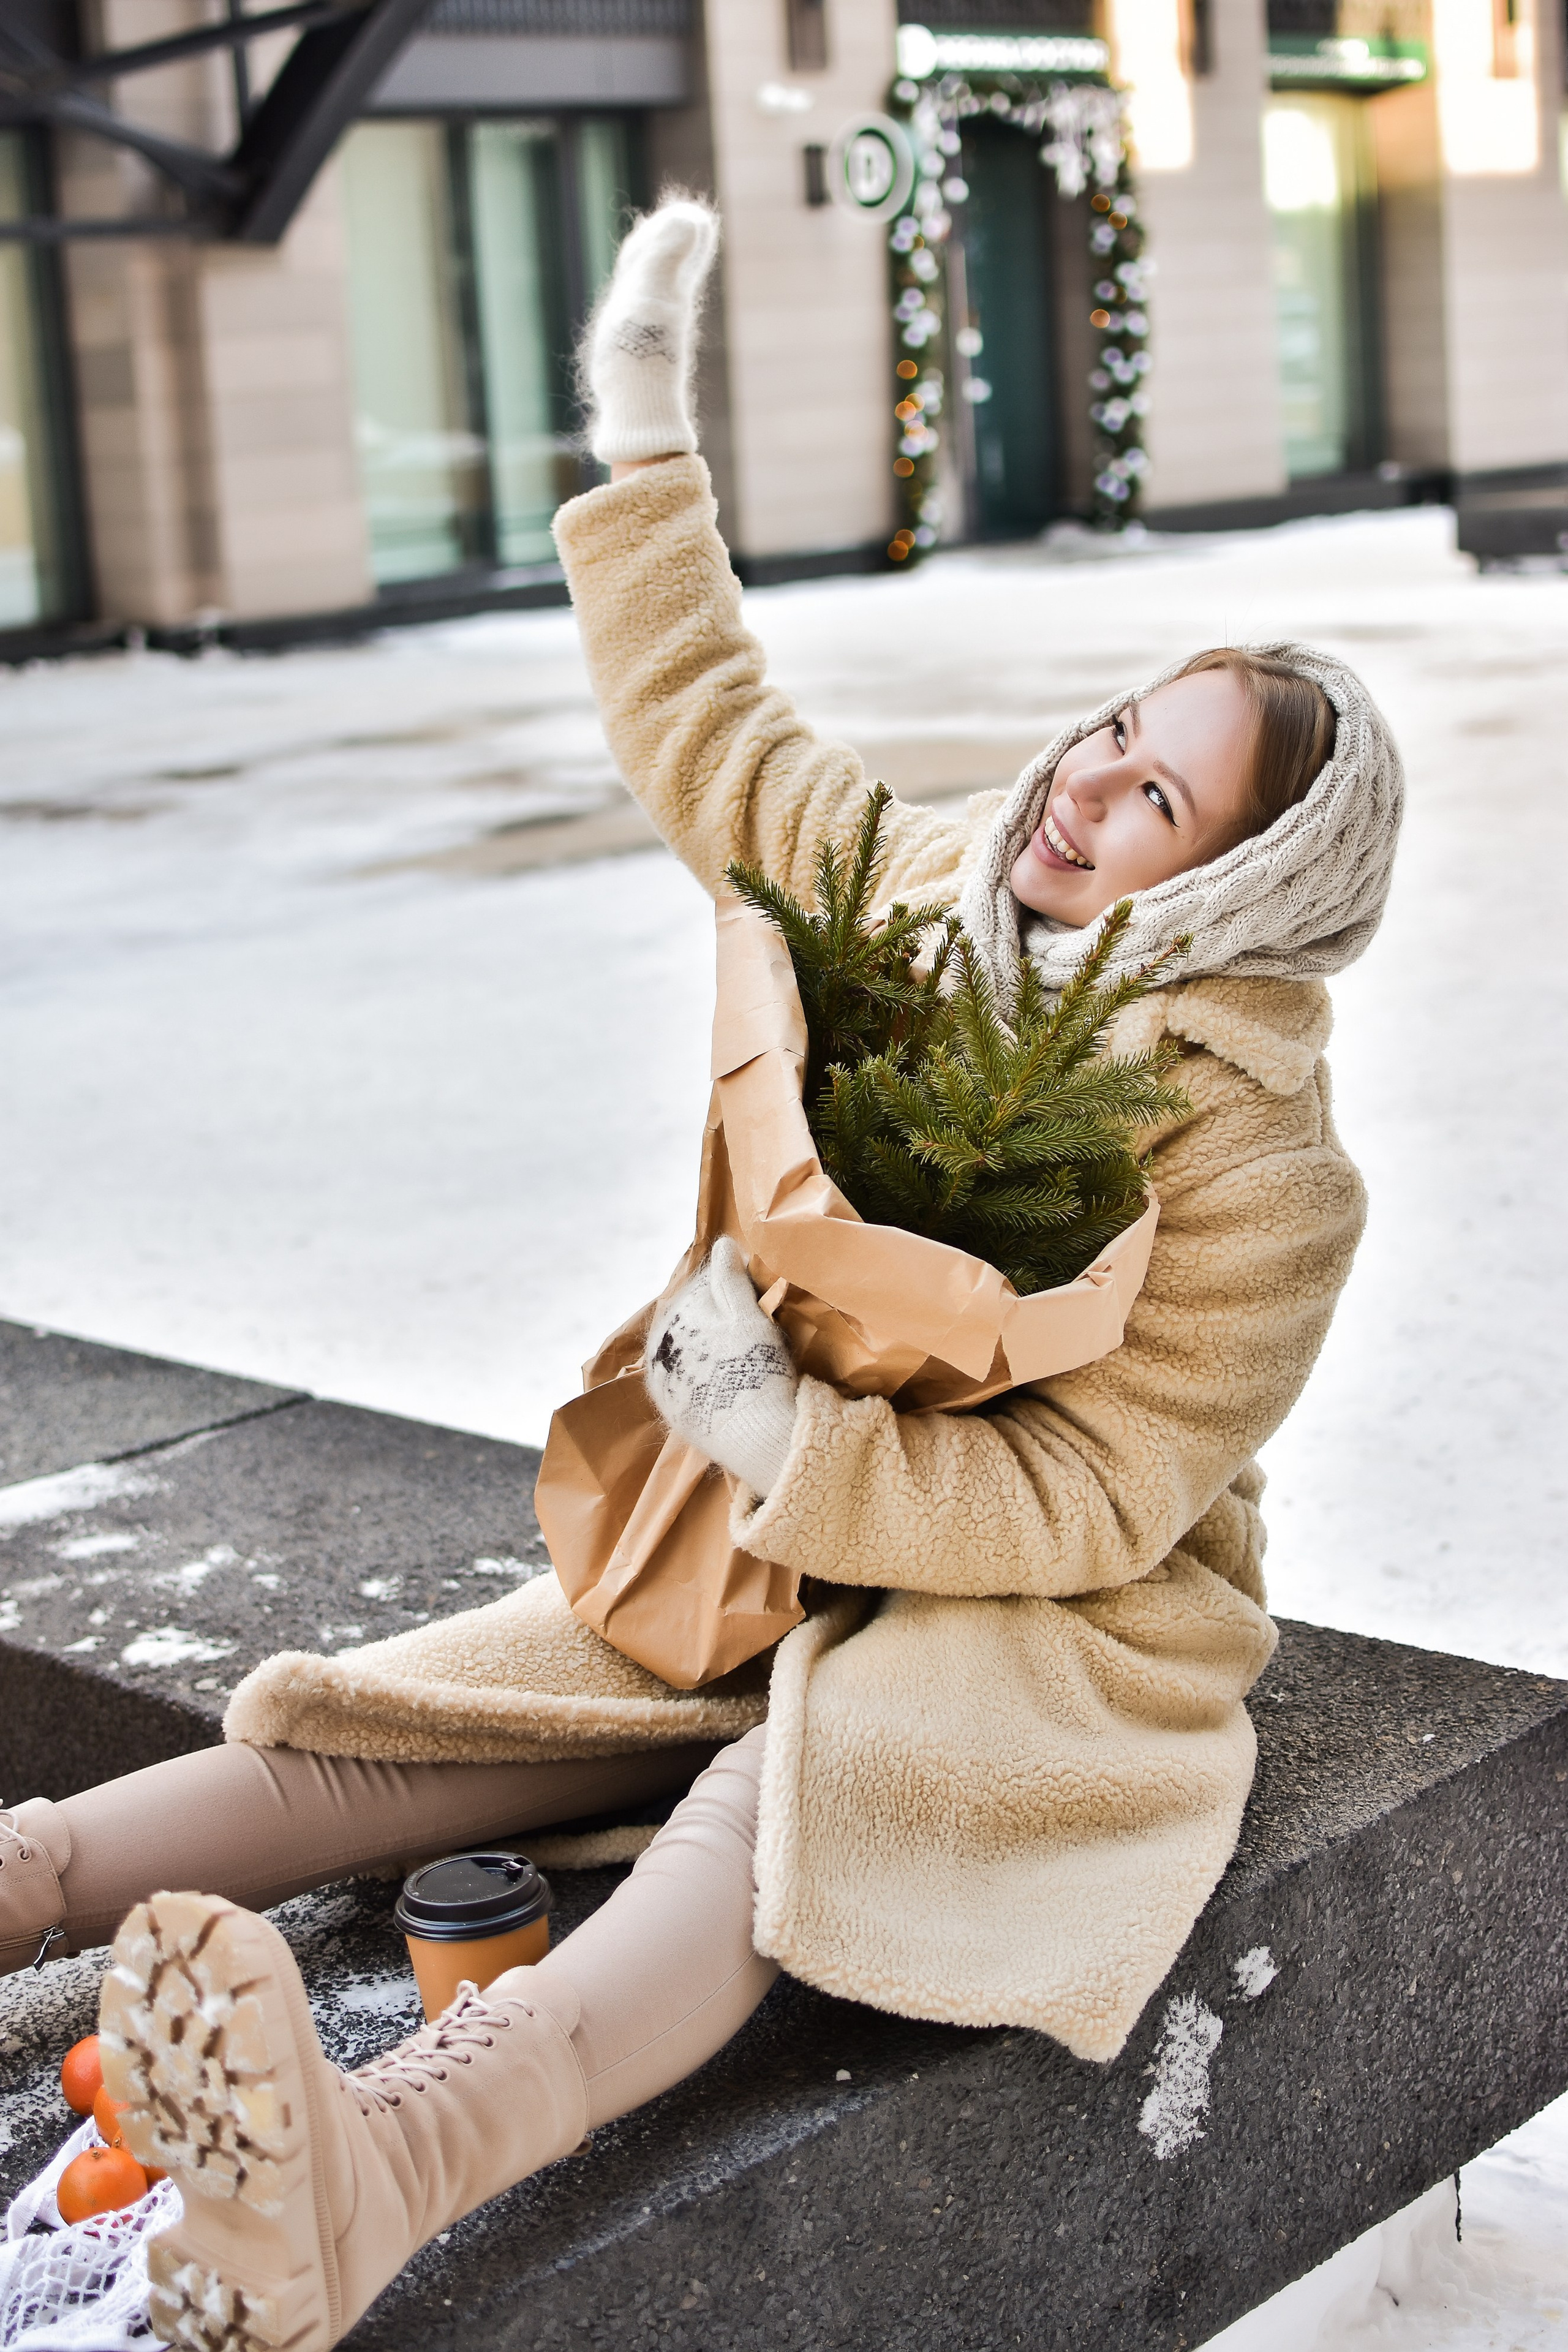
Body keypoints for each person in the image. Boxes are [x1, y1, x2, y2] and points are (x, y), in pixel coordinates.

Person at [0, 198, 1403, 2352]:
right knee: (434, 1724)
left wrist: (791, 1437)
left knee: (788, 1801)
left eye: (1159, 802)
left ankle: (375, 2178)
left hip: (1044, 1617)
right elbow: (719, 738)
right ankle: (27, 1875)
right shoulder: (929, 887)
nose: (1087, 789)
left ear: (1251, 884)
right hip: (761, 1529)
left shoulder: (1263, 1169)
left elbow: (1098, 1500)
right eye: (1114, 731)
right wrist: (646, 440)